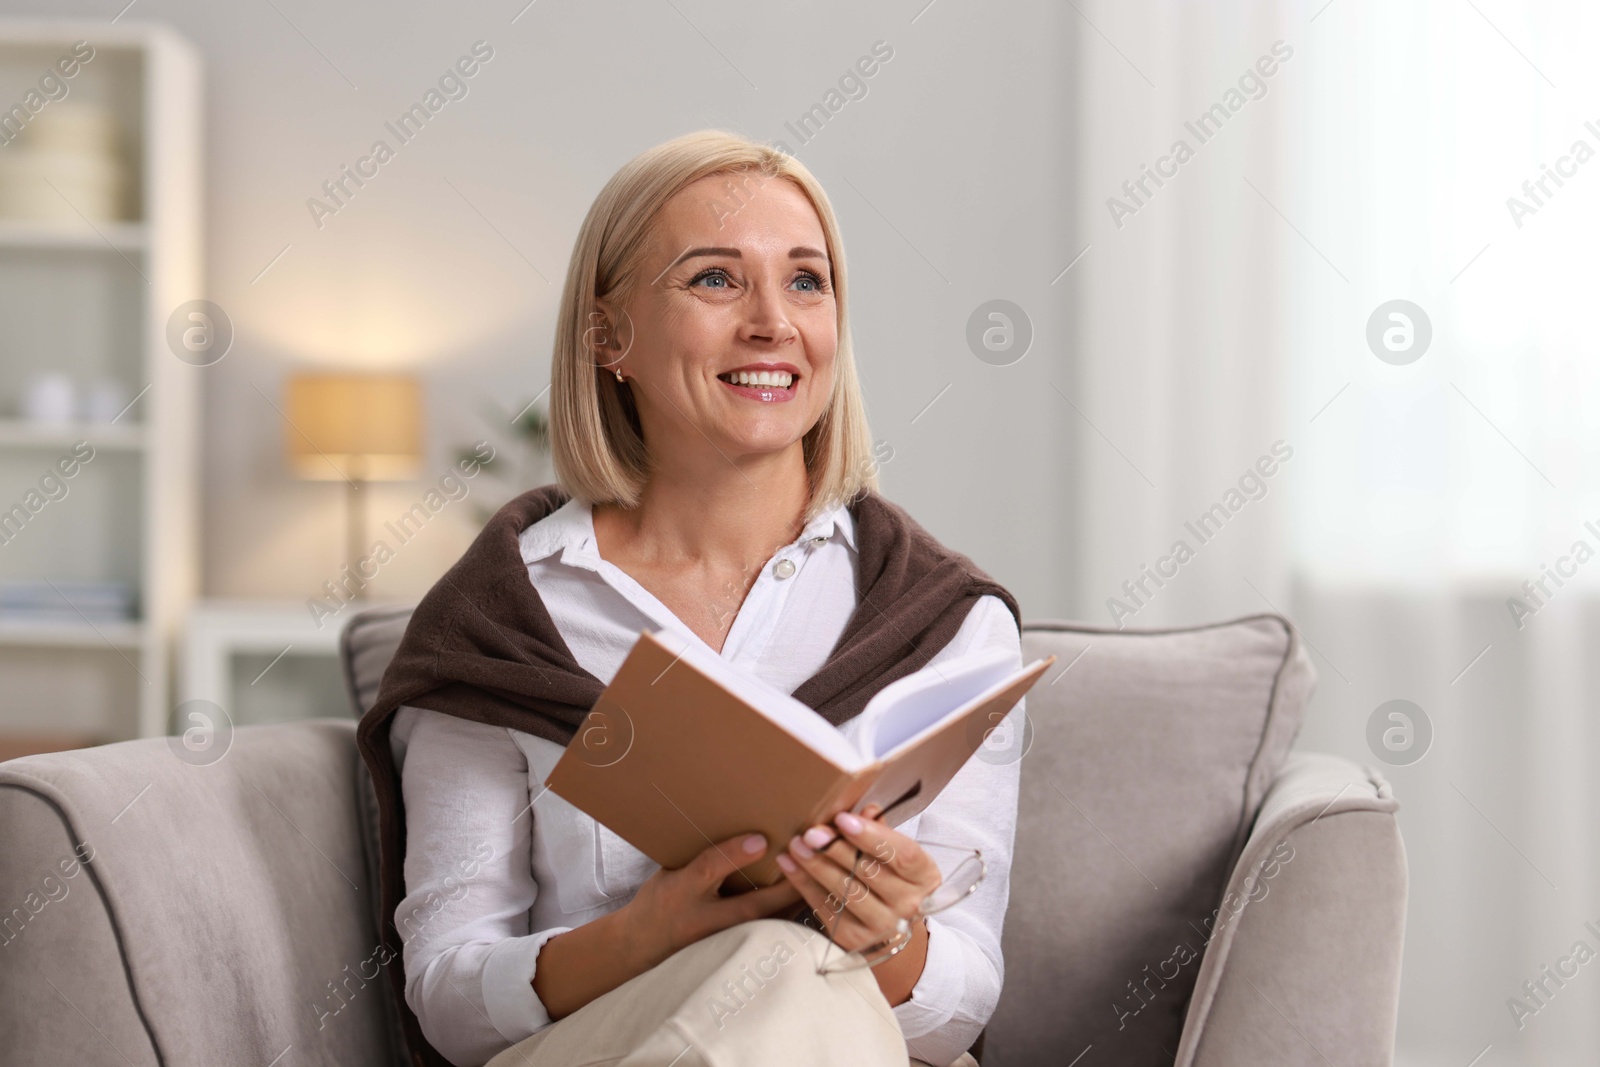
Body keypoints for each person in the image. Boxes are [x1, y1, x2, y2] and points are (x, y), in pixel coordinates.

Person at [356, 129, 1025, 1067]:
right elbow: (449, 998)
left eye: (806, 280)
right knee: (782, 964)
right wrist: (645, 934)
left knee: (800, 973)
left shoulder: (949, 623)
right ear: (608, 335)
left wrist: (889, 941)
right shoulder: (504, 624)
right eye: (715, 279)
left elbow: (958, 1011)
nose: (772, 322)